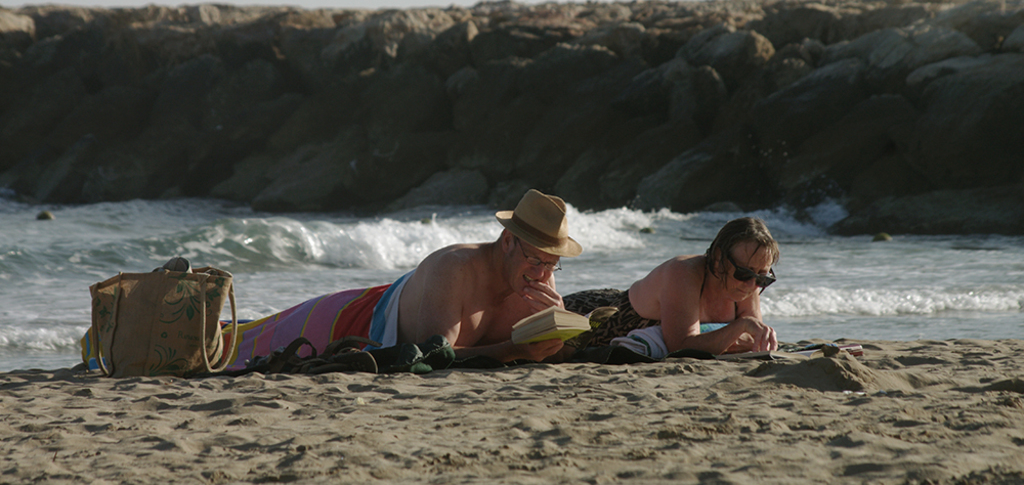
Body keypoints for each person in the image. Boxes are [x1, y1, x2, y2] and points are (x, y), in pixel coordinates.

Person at [222, 189, 582, 369]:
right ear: (507, 241)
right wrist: (516, 350)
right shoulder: (455, 269)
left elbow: (557, 352)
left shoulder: (538, 280)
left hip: (384, 307)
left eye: (552, 264)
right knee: (243, 343)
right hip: (357, 319)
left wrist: (559, 327)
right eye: (535, 259)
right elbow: (435, 357)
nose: (542, 273)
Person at [563, 217, 778, 358]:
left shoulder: (747, 282)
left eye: (762, 279)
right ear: (718, 258)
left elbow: (753, 340)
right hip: (600, 315)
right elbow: (681, 347)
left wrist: (730, 333)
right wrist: (737, 328)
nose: (752, 285)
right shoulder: (684, 273)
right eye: (744, 273)